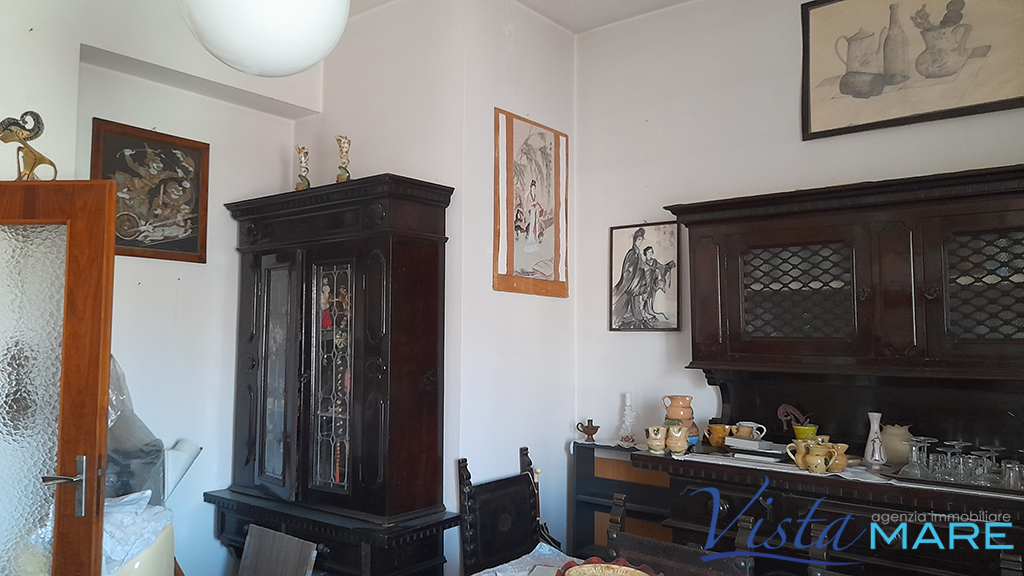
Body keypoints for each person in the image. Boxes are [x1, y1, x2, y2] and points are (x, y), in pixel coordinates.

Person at [611, 228, 647, 328]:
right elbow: (628, 270)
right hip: (632, 284)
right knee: (627, 302)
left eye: (641, 240)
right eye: (639, 239)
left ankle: (636, 319)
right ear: (634, 240)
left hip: (637, 283)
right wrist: (628, 283)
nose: (640, 242)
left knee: (635, 302)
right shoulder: (632, 253)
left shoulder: (638, 253)